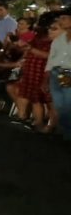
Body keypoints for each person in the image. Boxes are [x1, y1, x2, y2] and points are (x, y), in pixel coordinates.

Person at [44, 12, 71, 140]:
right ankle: (66, 131)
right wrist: (46, 78)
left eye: (64, 18)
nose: (61, 21)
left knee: (66, 104)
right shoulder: (58, 39)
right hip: (55, 73)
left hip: (67, 73)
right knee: (59, 105)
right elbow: (51, 59)